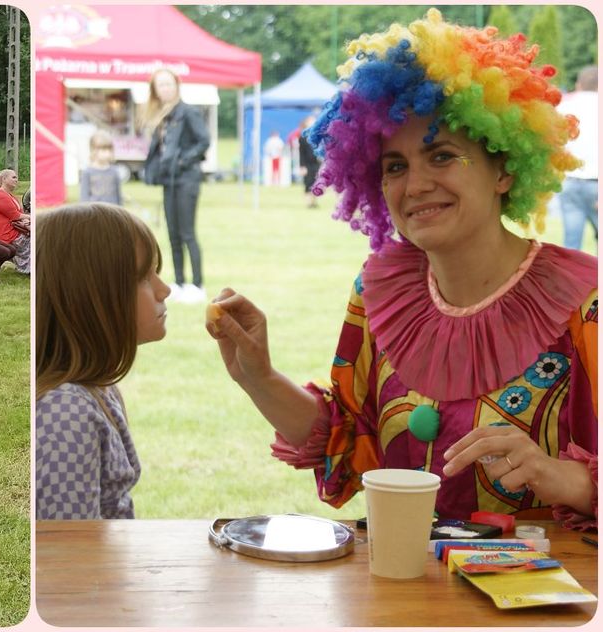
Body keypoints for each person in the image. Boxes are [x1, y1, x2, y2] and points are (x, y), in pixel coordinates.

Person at [210, 10, 597, 525]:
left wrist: (568, 478)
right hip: (405, 586)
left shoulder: (584, 303)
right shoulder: (376, 292)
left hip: (544, 595)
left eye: (441, 156)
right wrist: (256, 376)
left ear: (503, 169)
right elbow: (351, 447)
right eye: (395, 166)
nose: (414, 186)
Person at [36, 203, 169, 519]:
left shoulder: (97, 389)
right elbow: (70, 556)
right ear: (89, 297)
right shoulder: (65, 411)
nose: (165, 290)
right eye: (144, 278)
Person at [142, 67, 209, 304]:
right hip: (168, 180)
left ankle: (198, 284)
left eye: (169, 84)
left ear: (177, 86)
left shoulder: (188, 112)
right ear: (155, 90)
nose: (165, 89)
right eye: (161, 85)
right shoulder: (162, 117)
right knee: (172, 234)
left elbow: (204, 141)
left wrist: (183, 160)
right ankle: (179, 282)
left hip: (186, 179)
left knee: (187, 233)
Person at [559, 66, 598, 252]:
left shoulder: (566, 105)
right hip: (596, 184)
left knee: (572, 246)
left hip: (570, 182)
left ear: (579, 84)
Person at [0, 169, 31, 274]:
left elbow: (19, 214)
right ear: (3, 179)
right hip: (6, 234)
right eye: (13, 177)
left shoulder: (10, 196)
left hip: (16, 229)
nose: (16, 180)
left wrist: (26, 220)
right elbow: (15, 215)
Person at [79, 130, 122, 205]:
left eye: (109, 150)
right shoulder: (87, 172)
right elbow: (84, 198)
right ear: (94, 151)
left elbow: (118, 196)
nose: (107, 153)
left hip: (112, 213)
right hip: (95, 213)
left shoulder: (114, 172)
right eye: (104, 150)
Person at [297, 115, 321, 209]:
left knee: (316, 183)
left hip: (316, 163)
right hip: (307, 164)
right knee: (308, 183)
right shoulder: (302, 137)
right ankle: (308, 202)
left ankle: (314, 201)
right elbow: (301, 154)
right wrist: (302, 166)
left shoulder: (317, 135)